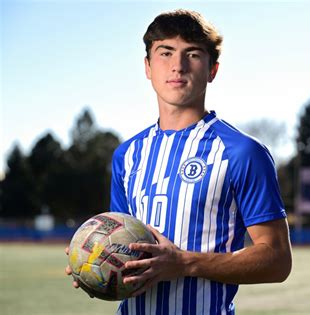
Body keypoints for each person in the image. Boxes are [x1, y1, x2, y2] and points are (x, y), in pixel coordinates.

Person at [66, 9, 292, 314]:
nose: (177, 66)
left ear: (212, 70)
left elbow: (277, 261)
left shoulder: (241, 152)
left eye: (193, 54)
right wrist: (94, 262)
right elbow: (121, 244)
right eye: (165, 52)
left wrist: (185, 263)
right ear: (147, 66)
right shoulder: (127, 155)